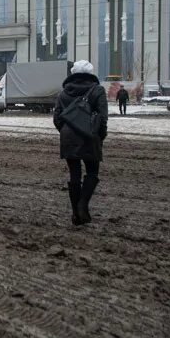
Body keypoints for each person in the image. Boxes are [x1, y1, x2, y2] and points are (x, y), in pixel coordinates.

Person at [52, 60, 108, 226]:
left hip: (68, 137)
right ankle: (83, 204)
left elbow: (57, 118)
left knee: (74, 174)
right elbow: (103, 118)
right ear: (90, 73)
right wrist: (100, 136)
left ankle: (76, 213)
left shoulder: (63, 93)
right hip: (90, 136)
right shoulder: (97, 90)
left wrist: (66, 131)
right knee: (92, 173)